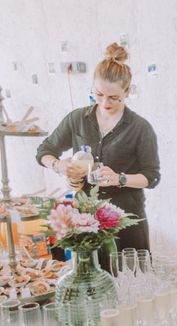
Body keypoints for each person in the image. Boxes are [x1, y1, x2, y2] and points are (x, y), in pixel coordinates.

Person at [37, 43, 160, 260]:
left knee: (132, 284)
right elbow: (44, 151)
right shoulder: (77, 119)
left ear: (127, 92)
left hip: (127, 220)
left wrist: (119, 178)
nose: (105, 102)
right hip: (87, 221)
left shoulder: (140, 128)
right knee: (92, 284)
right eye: (98, 94)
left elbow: (152, 177)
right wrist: (60, 166)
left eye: (114, 97)